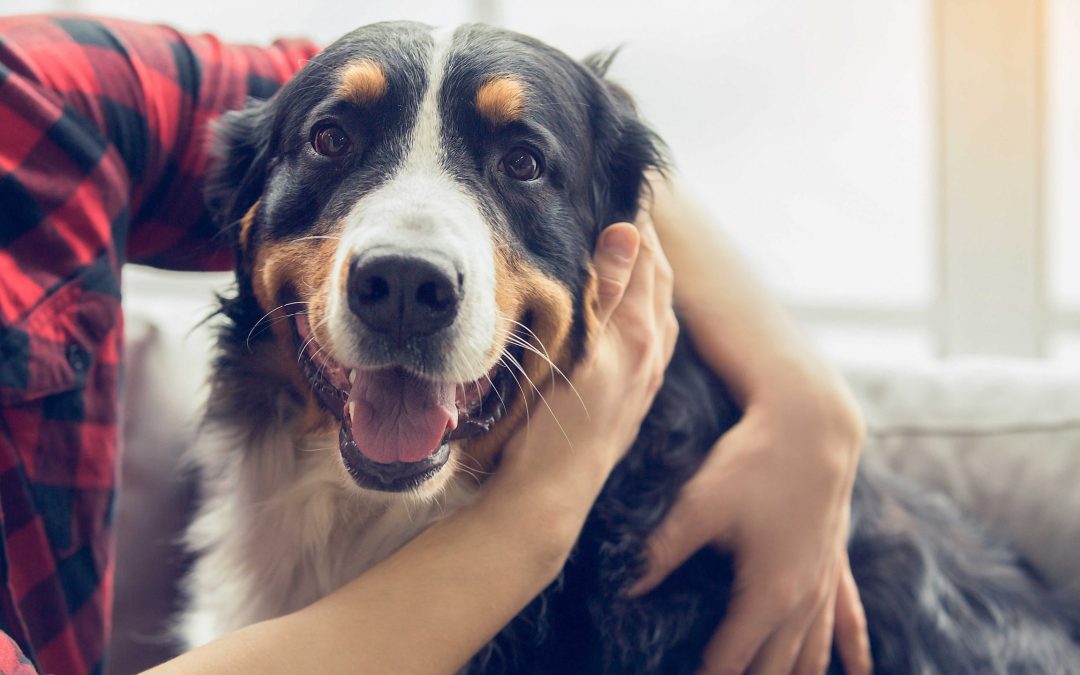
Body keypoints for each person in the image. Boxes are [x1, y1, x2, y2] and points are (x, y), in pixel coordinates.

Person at [0, 15, 869, 675]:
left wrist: (806, 402)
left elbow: (514, 93)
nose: (407, 264)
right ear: (244, 216)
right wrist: (535, 518)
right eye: (334, 143)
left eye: (522, 163)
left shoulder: (33, 96)